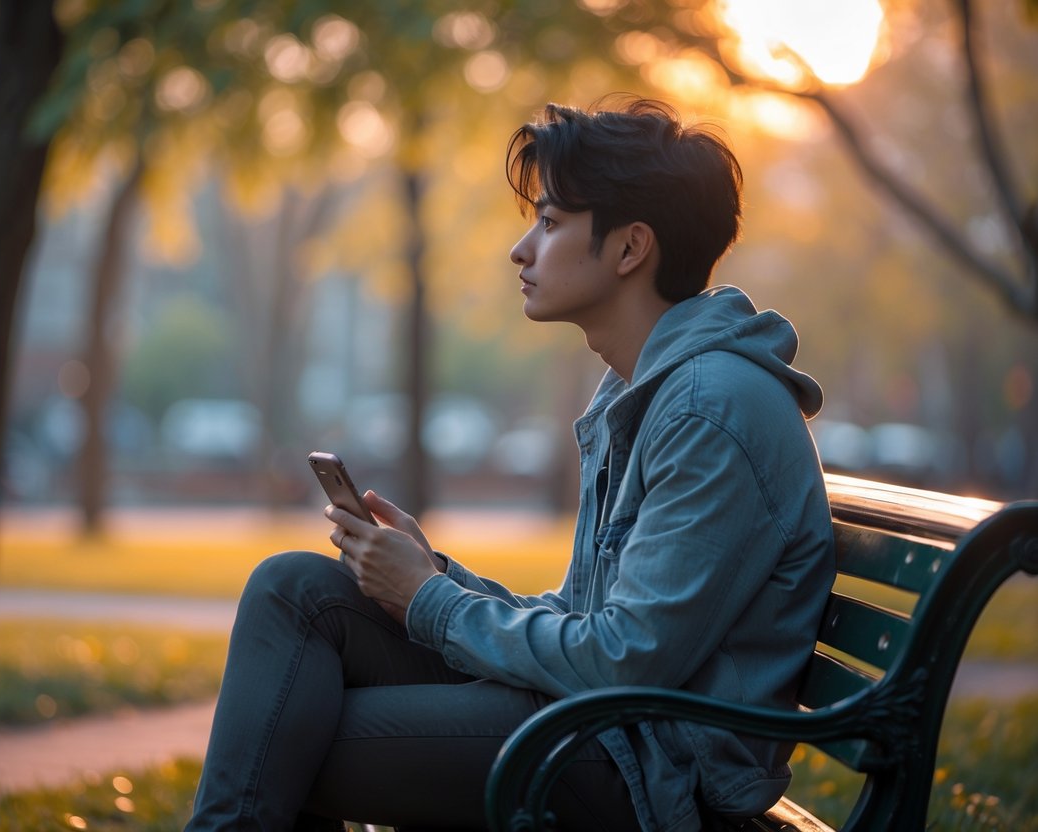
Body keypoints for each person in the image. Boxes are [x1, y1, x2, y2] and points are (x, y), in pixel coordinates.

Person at [185, 96, 834, 832]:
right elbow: (591, 619)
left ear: (629, 249)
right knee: (295, 588)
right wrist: (433, 576)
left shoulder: (705, 409)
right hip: (604, 723)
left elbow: (623, 660)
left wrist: (428, 602)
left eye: (551, 224)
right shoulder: (645, 388)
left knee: (288, 735)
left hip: (652, 767)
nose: (521, 250)